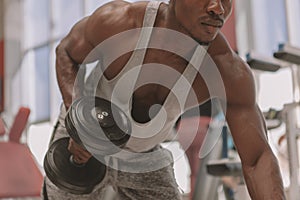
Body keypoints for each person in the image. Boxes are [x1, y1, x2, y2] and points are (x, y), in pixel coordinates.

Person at [42, 0, 286, 199]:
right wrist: (80, 121)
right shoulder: (120, 24)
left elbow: (257, 159)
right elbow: (66, 51)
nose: (218, 8)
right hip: (84, 143)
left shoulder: (227, 71)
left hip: (144, 153)